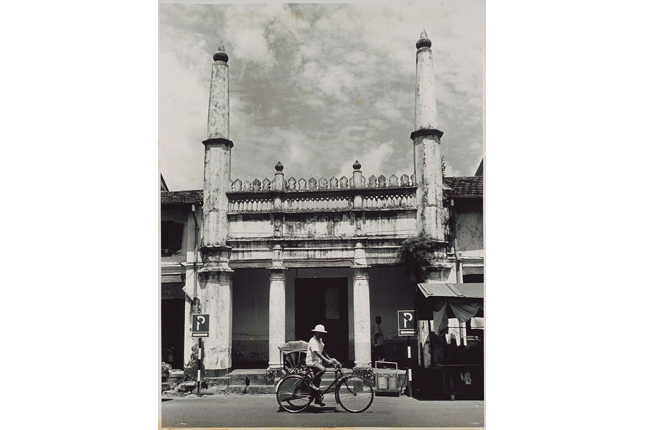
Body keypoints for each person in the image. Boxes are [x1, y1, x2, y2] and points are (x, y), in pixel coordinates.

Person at [306, 324, 340, 406]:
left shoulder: (320, 340)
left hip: (317, 361)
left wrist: (330, 358)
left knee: (319, 380)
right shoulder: (313, 340)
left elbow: (323, 350)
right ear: (316, 332)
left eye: (322, 333)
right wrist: (327, 361)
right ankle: (312, 385)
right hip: (312, 362)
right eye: (320, 333)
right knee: (323, 370)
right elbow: (317, 353)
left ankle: (317, 399)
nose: (321, 334)